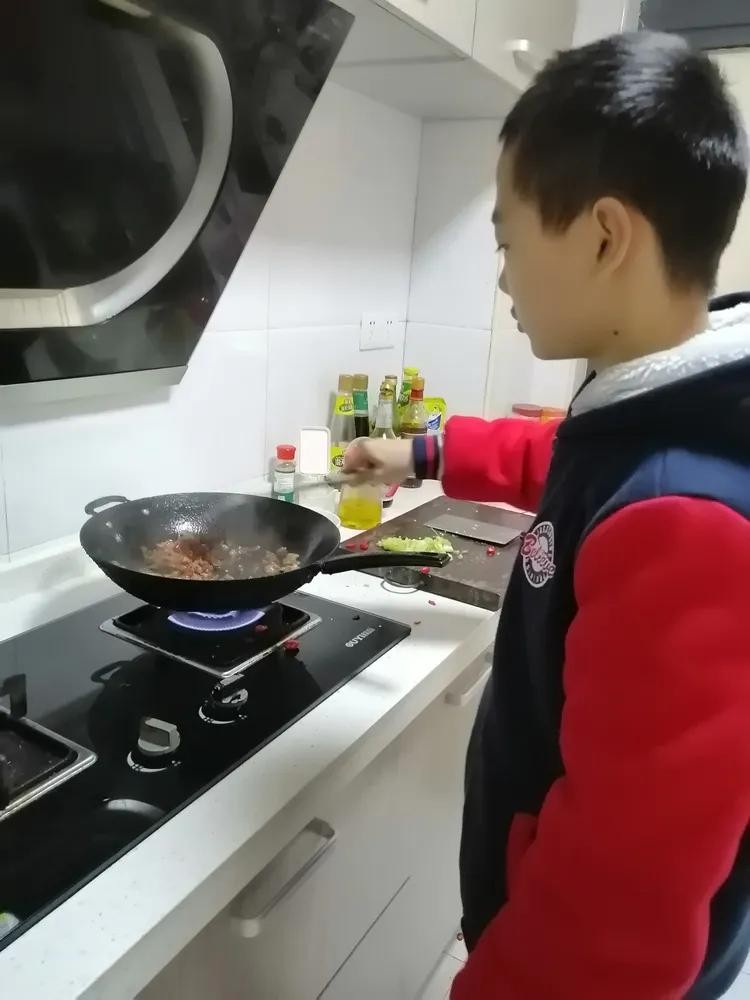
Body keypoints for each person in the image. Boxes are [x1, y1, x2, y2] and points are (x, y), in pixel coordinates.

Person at [344, 31, 750, 1000]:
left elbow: (614, 921)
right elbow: (564, 458)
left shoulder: (684, 519)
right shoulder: (660, 414)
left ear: (605, 236)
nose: (503, 276)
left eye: (507, 240)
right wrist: (421, 452)